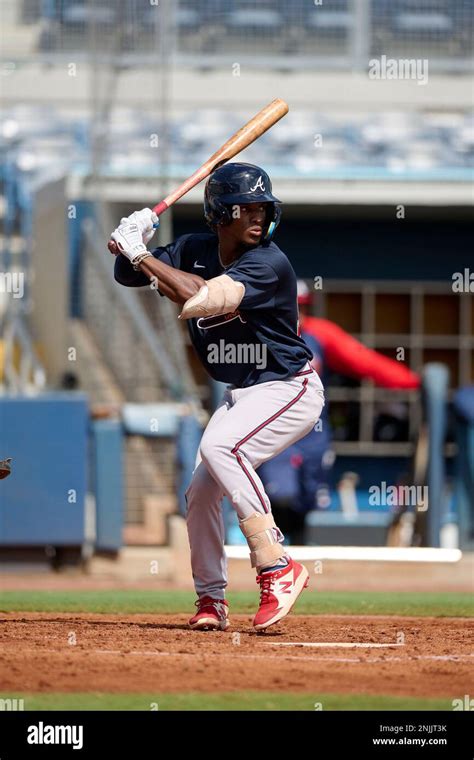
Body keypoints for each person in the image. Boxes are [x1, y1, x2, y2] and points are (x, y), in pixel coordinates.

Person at [108, 163, 325, 632]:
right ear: (219, 212)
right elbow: (126, 275)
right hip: (244, 393)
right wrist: (131, 240)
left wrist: (142, 256)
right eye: (245, 206)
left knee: (219, 447)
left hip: (289, 387)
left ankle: (275, 565)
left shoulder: (269, 262)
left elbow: (202, 299)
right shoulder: (193, 249)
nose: (256, 215)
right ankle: (211, 600)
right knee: (201, 491)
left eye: (262, 207)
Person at [259, 280, 421, 543]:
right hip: (272, 428)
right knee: (279, 493)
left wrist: (413, 381)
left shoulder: (318, 333)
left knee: (308, 499)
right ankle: (276, 552)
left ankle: (298, 555)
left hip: (312, 431)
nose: (294, 313)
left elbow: (364, 361)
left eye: (300, 307)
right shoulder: (258, 333)